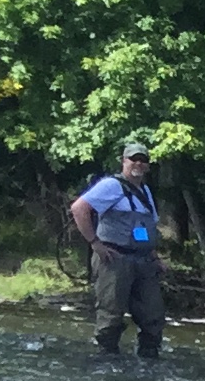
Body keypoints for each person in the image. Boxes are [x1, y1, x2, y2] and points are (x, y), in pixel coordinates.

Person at [70, 137, 169, 360]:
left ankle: (149, 359)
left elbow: (147, 228)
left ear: (148, 166)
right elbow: (79, 209)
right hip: (114, 260)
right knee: (111, 314)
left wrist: (156, 258)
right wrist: (95, 243)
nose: (139, 164)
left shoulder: (146, 192)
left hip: (144, 261)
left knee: (154, 315)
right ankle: (108, 359)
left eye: (143, 160)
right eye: (134, 159)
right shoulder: (111, 185)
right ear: (124, 161)